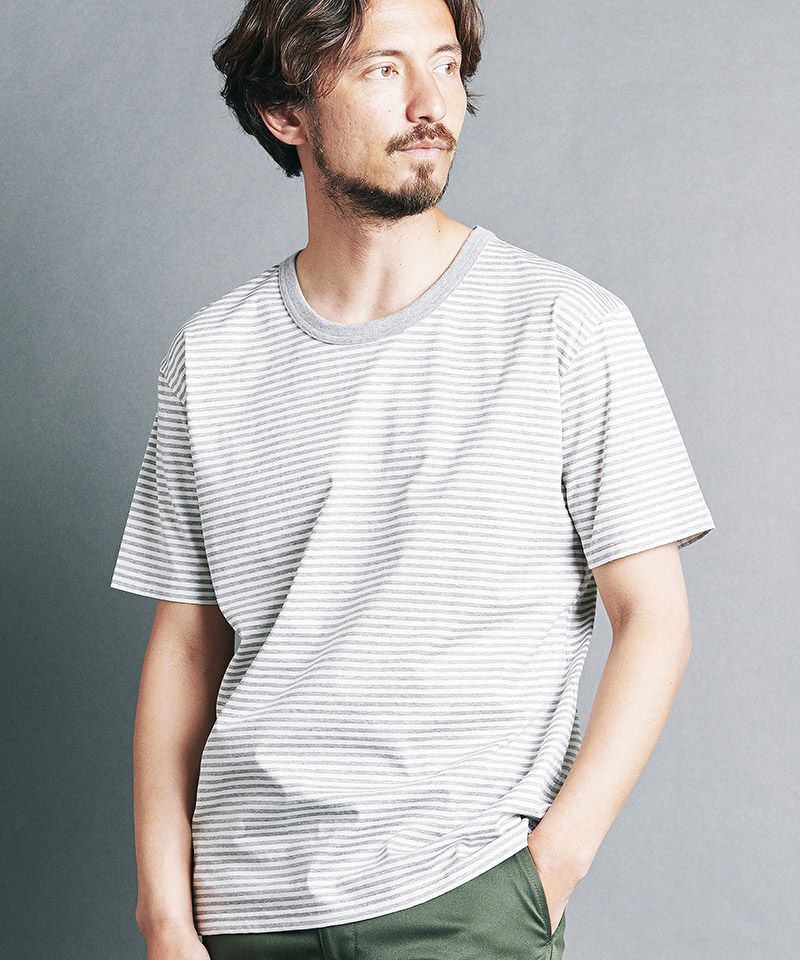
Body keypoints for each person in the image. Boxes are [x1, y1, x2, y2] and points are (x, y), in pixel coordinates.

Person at [109, 1, 716, 958]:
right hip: (240, 911)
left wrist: (548, 870)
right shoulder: (212, 355)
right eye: (383, 69)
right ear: (285, 110)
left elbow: (656, 617)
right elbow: (187, 645)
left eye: (446, 65)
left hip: (460, 899)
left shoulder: (565, 327)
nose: (432, 103)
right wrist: (163, 913)